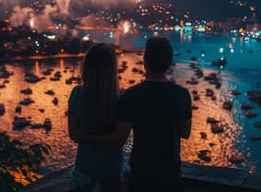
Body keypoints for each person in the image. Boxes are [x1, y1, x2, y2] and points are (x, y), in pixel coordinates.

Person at [117, 36, 192, 192]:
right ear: (170, 63)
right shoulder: (182, 94)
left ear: (145, 62)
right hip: (171, 175)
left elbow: (120, 138)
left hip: (141, 174)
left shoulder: (131, 95)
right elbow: (185, 133)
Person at [67, 43, 123, 191]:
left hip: (85, 165)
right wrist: (107, 138)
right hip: (113, 166)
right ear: (112, 69)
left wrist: (87, 136)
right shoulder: (121, 98)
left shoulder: (78, 94)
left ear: (87, 67)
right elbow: (120, 138)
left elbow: (74, 134)